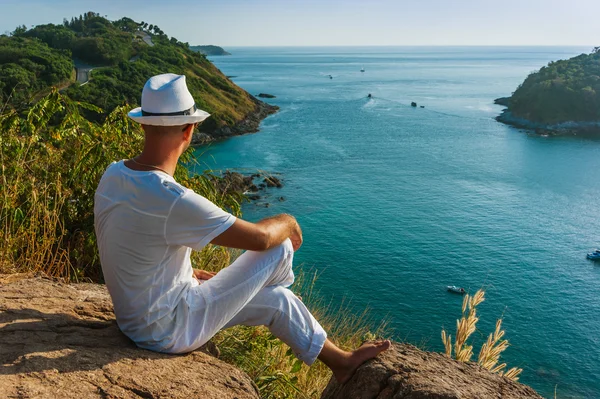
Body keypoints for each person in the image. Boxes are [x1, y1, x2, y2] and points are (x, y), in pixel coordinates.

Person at [94, 73, 390, 383]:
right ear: (189, 130)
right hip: (171, 329)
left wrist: (187, 275)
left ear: (143, 124)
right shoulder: (173, 199)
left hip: (136, 321)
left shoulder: (114, 174)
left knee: (277, 301)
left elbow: (133, 242)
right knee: (281, 246)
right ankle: (272, 284)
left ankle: (341, 362)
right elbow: (261, 239)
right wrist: (289, 221)